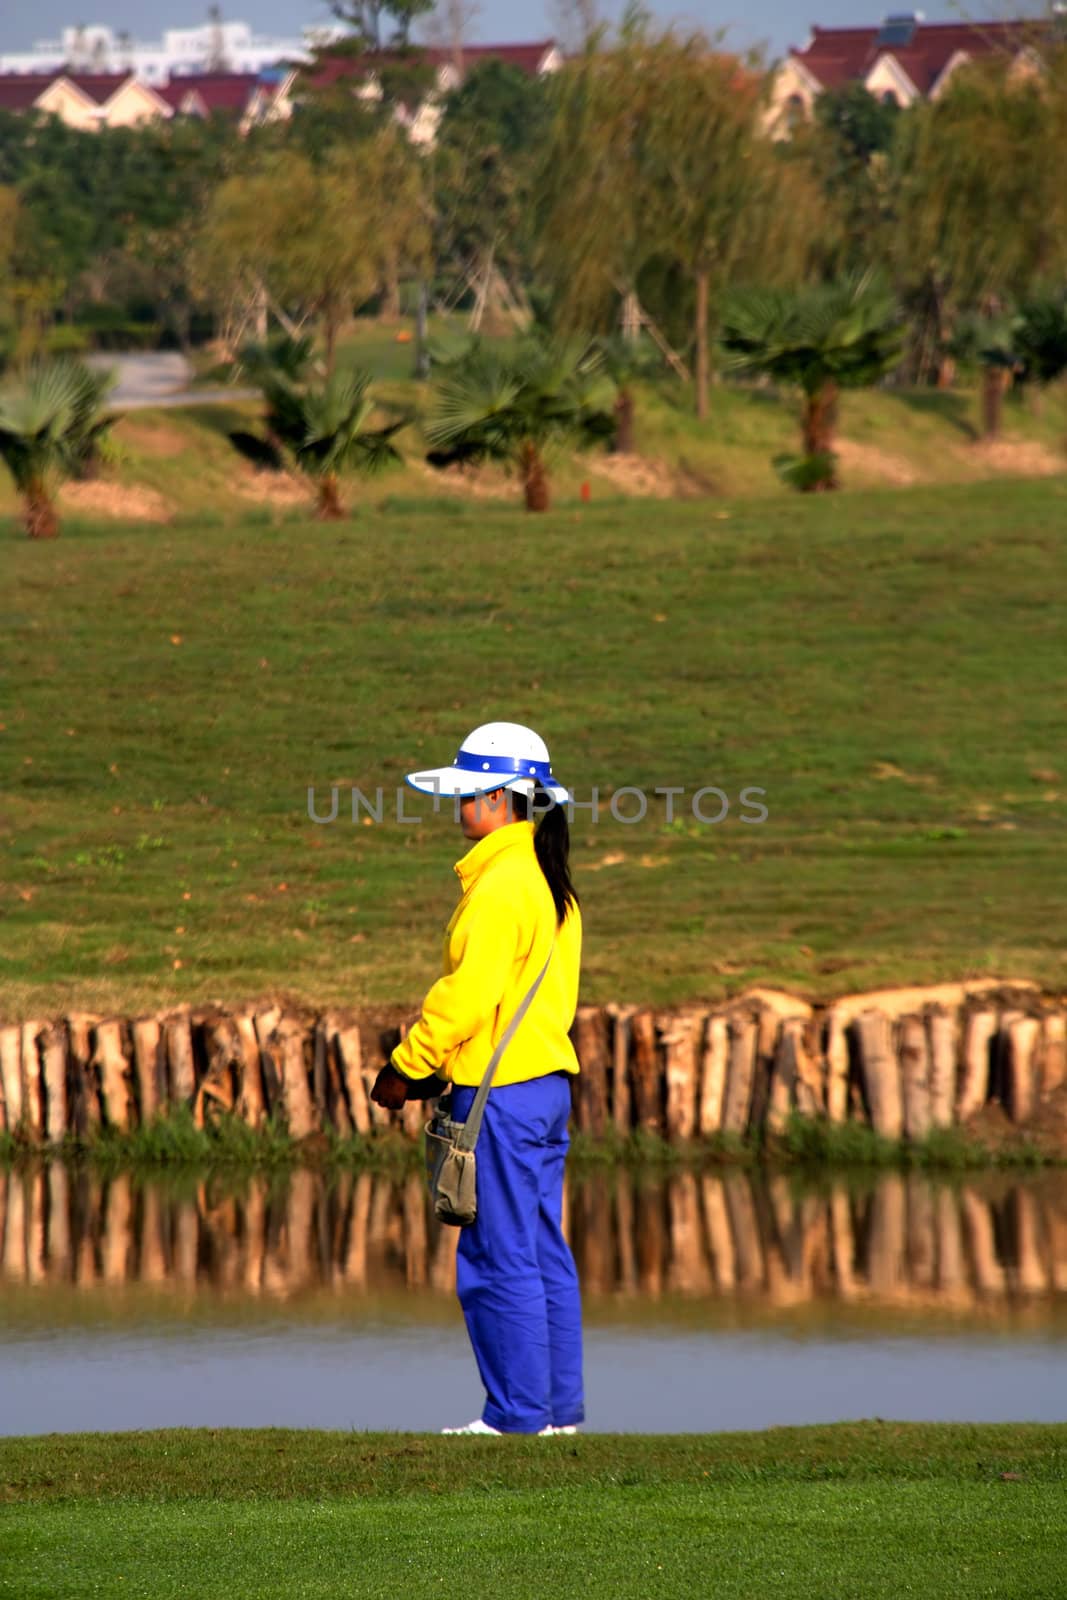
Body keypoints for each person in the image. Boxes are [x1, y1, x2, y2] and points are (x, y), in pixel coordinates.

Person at [371, 721, 585, 1437]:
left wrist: (407, 1066)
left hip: (501, 1098)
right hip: (545, 1085)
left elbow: (465, 997)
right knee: (540, 1247)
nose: (456, 807)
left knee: (496, 1254)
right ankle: (555, 1416)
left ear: (497, 798)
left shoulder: (500, 886)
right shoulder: (548, 880)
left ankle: (516, 1419)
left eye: (464, 794)